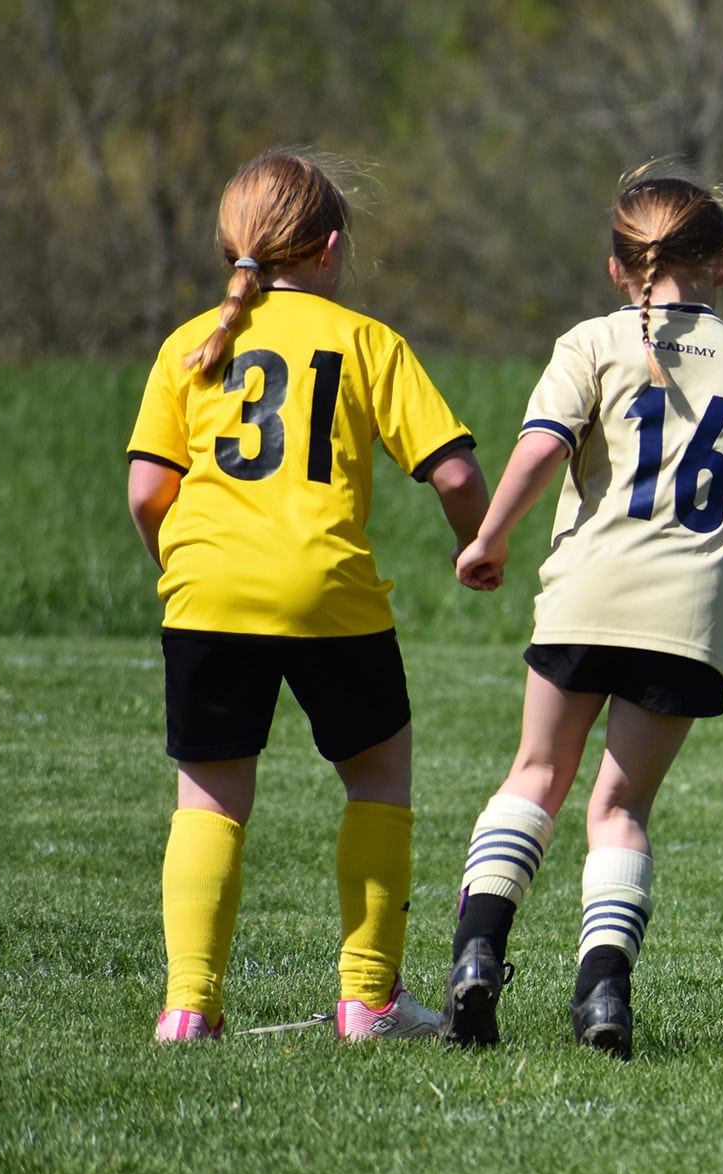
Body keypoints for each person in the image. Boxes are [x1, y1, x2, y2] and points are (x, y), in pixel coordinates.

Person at [439, 164, 723, 1059]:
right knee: (620, 810)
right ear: (720, 265)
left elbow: (538, 450)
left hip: (583, 597)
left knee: (535, 778)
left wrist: (488, 537)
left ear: (616, 267)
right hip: (687, 625)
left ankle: (477, 954)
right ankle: (603, 998)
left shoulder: (590, 342)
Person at [127, 148, 490, 1043]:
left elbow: (146, 491)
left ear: (234, 248)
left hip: (207, 596)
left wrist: (180, 564)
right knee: (376, 777)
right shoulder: (367, 341)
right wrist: (479, 546)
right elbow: (452, 473)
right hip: (329, 594)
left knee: (208, 802)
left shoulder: (188, 346)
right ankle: (368, 1000)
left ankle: (189, 1007)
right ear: (330, 248)